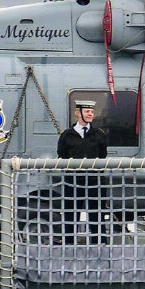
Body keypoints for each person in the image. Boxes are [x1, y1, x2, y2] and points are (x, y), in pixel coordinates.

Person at [56, 99, 109, 242]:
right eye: (87, 111)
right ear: (78, 113)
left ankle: (100, 248)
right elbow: (62, 154)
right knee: (71, 216)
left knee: (97, 216)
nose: (90, 114)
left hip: (95, 181)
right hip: (73, 181)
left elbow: (102, 155)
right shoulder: (67, 135)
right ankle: (69, 248)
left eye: (92, 111)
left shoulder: (99, 134)